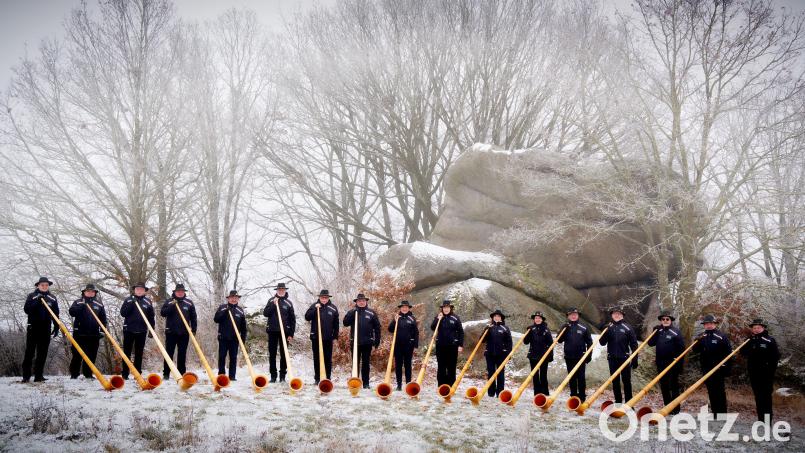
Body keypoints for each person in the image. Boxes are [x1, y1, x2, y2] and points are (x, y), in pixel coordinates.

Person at [741, 318, 781, 422]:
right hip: (753, 373)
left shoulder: (769, 340)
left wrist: (770, 372)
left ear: (763, 328)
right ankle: (760, 420)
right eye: (754, 328)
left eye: (758, 327)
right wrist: (747, 347)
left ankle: (767, 421)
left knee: (766, 397)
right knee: (758, 396)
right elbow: (742, 352)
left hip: (766, 374)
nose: (756, 329)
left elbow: (775, 357)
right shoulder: (750, 340)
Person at [693, 314, 733, 416]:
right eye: (706, 324)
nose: (709, 325)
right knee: (711, 390)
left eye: (711, 323)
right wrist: (697, 342)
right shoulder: (702, 336)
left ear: (714, 324)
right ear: (704, 325)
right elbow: (695, 350)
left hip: (719, 368)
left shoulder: (721, 336)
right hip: (706, 367)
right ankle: (715, 412)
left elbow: (728, 353)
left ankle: (722, 413)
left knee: (719, 390)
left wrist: (726, 367)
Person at [22, 277, 60, 382]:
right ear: (38, 285)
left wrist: (57, 326)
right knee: (29, 352)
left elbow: (56, 313)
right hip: (33, 328)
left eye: (46, 285)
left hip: (46, 328)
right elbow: (27, 310)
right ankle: (26, 376)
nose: (44, 286)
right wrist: (37, 302)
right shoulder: (32, 296)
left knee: (42, 353)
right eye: (42, 285)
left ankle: (38, 376)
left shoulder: (52, 298)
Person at [647, 310, 685, 414]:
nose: (665, 320)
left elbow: (682, 349)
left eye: (667, 319)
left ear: (671, 320)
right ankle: (667, 408)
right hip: (660, 362)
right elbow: (650, 343)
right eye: (663, 319)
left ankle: (675, 409)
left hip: (672, 363)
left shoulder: (676, 332)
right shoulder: (658, 331)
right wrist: (653, 332)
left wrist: (679, 365)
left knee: (673, 386)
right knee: (664, 386)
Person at [598, 306, 638, 403]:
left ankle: (629, 403)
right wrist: (604, 332)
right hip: (612, 358)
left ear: (622, 315)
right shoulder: (609, 327)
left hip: (624, 358)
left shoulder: (628, 327)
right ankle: (618, 402)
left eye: (619, 314)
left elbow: (634, 344)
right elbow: (602, 343)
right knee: (615, 381)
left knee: (626, 381)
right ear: (612, 315)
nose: (616, 315)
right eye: (614, 313)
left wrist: (635, 359)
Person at [68, 284, 107, 379]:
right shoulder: (78, 302)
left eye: (92, 291)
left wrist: (102, 331)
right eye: (88, 291)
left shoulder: (99, 304)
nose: (90, 293)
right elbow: (72, 312)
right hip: (79, 332)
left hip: (94, 333)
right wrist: (81, 306)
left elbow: (103, 319)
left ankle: (88, 373)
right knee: (77, 354)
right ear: (84, 292)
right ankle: (74, 374)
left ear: (94, 293)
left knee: (92, 354)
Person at [343, 293, 381, 389]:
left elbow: (377, 328)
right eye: (359, 301)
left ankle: (366, 383)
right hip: (355, 343)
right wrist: (352, 313)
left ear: (366, 301)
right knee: (355, 363)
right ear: (356, 302)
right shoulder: (352, 312)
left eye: (363, 300)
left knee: (365, 363)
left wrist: (377, 340)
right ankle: (355, 383)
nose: (361, 302)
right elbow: (345, 323)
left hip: (367, 343)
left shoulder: (371, 313)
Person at [160, 283, 197, 380]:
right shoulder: (169, 301)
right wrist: (171, 306)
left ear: (184, 292)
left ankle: (181, 373)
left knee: (182, 353)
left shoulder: (189, 303)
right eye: (178, 291)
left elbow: (194, 317)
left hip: (184, 333)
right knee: (169, 353)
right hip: (171, 332)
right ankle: (166, 373)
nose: (180, 293)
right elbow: (162, 313)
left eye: (182, 291)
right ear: (175, 292)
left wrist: (194, 329)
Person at [120, 282, 155, 380]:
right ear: (134, 290)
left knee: (139, 353)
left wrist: (151, 330)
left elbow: (151, 317)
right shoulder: (128, 300)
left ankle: (137, 373)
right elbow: (123, 313)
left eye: (141, 289)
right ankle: (125, 374)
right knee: (126, 352)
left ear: (144, 291)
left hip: (142, 331)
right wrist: (132, 303)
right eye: (137, 289)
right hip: (128, 330)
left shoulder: (148, 302)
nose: (139, 291)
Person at [304, 289, 340, 384]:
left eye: (325, 298)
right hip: (316, 337)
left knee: (327, 358)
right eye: (322, 297)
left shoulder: (333, 308)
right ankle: (317, 378)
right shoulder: (314, 306)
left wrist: (335, 336)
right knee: (317, 358)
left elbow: (336, 324)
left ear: (328, 298)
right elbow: (307, 317)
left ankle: (327, 378)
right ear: (319, 298)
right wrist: (315, 309)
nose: (324, 299)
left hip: (328, 338)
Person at [263, 283, 296, 383]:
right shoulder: (271, 300)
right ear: (276, 290)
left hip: (285, 332)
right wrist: (273, 304)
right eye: (279, 289)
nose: (281, 291)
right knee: (272, 354)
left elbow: (292, 319)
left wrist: (291, 334)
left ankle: (282, 376)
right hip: (272, 331)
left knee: (284, 354)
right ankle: (273, 376)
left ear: (285, 290)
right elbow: (266, 313)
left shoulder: (288, 303)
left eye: (283, 289)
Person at [558, 307, 593, 400]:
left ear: (578, 316)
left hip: (581, 356)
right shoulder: (565, 327)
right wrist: (562, 330)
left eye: (575, 314)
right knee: (571, 377)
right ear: (568, 316)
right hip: (569, 356)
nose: (573, 316)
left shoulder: (584, 327)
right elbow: (559, 340)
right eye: (571, 314)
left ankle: (582, 396)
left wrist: (589, 355)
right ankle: (573, 395)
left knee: (581, 377)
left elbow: (590, 342)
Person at [214, 290, 247, 381]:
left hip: (235, 339)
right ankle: (221, 375)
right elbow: (216, 319)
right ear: (228, 298)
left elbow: (243, 327)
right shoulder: (222, 307)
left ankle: (232, 376)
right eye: (232, 297)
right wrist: (225, 312)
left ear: (238, 299)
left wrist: (242, 340)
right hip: (223, 337)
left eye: (236, 298)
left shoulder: (240, 310)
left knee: (233, 358)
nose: (234, 299)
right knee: (222, 356)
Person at [432, 300, 464, 388]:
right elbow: (433, 327)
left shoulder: (455, 318)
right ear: (442, 309)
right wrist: (437, 319)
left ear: (450, 308)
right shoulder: (438, 317)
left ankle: (451, 386)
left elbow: (461, 332)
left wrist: (460, 345)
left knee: (451, 366)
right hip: (440, 346)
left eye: (447, 307)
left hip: (452, 346)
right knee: (441, 366)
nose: (446, 309)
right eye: (444, 308)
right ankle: (441, 386)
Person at [388, 300, 418, 391]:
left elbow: (416, 332)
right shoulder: (397, 317)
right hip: (398, 346)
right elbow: (390, 329)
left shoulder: (412, 318)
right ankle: (399, 385)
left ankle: (408, 384)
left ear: (408, 308)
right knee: (398, 365)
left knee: (408, 365)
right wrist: (394, 320)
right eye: (403, 307)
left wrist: (415, 345)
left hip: (409, 346)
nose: (404, 308)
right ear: (400, 308)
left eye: (406, 307)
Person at [483, 309, 512, 398]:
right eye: (495, 316)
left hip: (501, 354)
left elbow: (509, 342)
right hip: (490, 354)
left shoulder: (505, 328)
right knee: (491, 372)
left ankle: (500, 392)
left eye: (498, 316)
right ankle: (491, 392)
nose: (496, 317)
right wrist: (486, 331)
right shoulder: (489, 327)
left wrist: (508, 354)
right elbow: (482, 340)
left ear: (501, 318)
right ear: (493, 317)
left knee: (500, 374)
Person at [523, 311, 553, 396]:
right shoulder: (531, 329)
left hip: (544, 356)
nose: (537, 319)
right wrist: (527, 333)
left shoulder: (546, 330)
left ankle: (545, 394)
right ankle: (537, 394)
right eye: (536, 318)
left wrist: (550, 356)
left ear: (542, 319)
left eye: (539, 318)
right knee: (535, 375)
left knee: (543, 375)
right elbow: (525, 342)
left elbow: (551, 343)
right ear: (534, 319)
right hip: (533, 355)